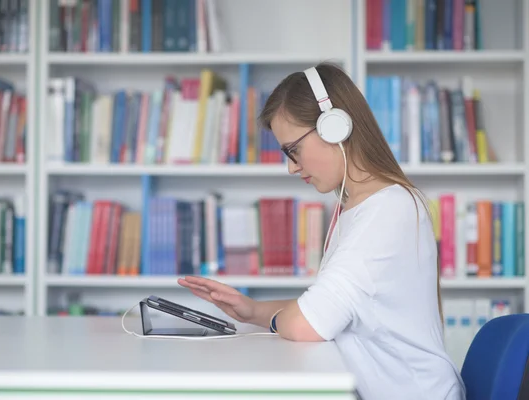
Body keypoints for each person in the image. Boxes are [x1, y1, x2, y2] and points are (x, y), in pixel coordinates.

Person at [177, 62, 465, 400]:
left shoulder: (388, 211)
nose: (291, 167)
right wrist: (252, 310)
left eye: (293, 150)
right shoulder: (360, 208)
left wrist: (277, 319)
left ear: (334, 128)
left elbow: (304, 323)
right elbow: (331, 310)